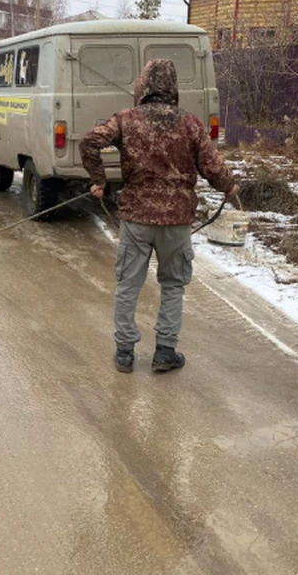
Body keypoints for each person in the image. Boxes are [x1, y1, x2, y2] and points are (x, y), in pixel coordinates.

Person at [80, 59, 239, 374]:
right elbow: (212, 165)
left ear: (143, 85)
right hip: (176, 222)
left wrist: (100, 179)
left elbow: (89, 142)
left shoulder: (127, 119)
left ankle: (125, 352)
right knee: (172, 285)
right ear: (173, 87)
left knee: (129, 284)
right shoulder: (190, 123)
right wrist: (230, 186)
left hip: (136, 219)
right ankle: (165, 352)